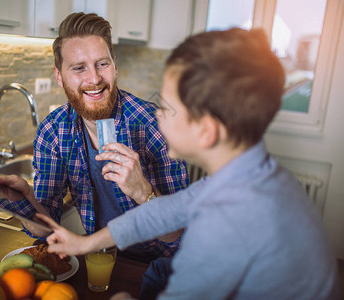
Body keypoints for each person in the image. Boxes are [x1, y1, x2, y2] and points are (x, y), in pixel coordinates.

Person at [38, 28, 340, 299]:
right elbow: (163, 213)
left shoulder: (223, 226)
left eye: (168, 108)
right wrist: (83, 245)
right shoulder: (249, 175)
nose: (156, 114)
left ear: (205, 131)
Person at [0, 12, 189, 263]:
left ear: (115, 66)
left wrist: (143, 192)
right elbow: (48, 230)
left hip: (158, 266)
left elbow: (180, 235)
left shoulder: (156, 125)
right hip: (98, 260)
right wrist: (26, 202)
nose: (94, 79)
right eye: (79, 68)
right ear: (59, 76)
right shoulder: (52, 133)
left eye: (102, 64)